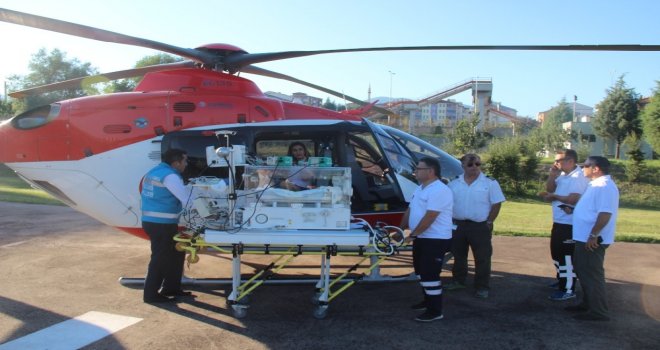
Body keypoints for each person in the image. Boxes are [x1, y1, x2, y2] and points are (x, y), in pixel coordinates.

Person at [399, 157, 453, 322]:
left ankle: (435, 310)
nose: (415, 171)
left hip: (435, 239)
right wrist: (400, 229)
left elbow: (431, 216)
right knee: (421, 272)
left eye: (419, 169)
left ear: (430, 171)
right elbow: (410, 209)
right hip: (422, 238)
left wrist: (413, 235)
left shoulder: (439, 190)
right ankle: (427, 300)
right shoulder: (420, 188)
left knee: (430, 274)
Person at [566, 156, 619, 321]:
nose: (583, 169)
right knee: (583, 270)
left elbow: (605, 213)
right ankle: (588, 304)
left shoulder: (604, 186)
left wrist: (593, 235)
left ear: (595, 169)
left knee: (592, 274)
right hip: (584, 237)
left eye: (586, 166)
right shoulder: (595, 185)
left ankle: (599, 311)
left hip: (592, 240)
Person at [445, 153, 505, 299]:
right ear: (462, 166)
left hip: (479, 226)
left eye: (478, 164)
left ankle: (482, 287)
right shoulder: (454, 183)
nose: (475, 167)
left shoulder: (489, 182)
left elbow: (496, 203)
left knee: (482, 258)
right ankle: (458, 281)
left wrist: (490, 222)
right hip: (458, 225)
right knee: (459, 256)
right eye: (470, 164)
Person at [141, 148, 193, 303]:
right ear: (176, 163)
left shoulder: (156, 171)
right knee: (161, 258)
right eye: (185, 161)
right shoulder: (170, 176)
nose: (186, 164)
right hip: (161, 224)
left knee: (177, 252)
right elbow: (186, 199)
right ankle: (150, 295)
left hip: (156, 222)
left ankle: (171, 288)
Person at [540, 149, 589, 301]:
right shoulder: (562, 175)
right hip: (559, 220)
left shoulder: (578, 177)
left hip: (570, 223)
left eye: (559, 161)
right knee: (556, 253)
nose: (556, 163)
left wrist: (554, 196)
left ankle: (568, 289)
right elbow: (550, 189)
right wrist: (552, 176)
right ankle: (562, 279)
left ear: (570, 161)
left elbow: (573, 199)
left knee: (566, 257)